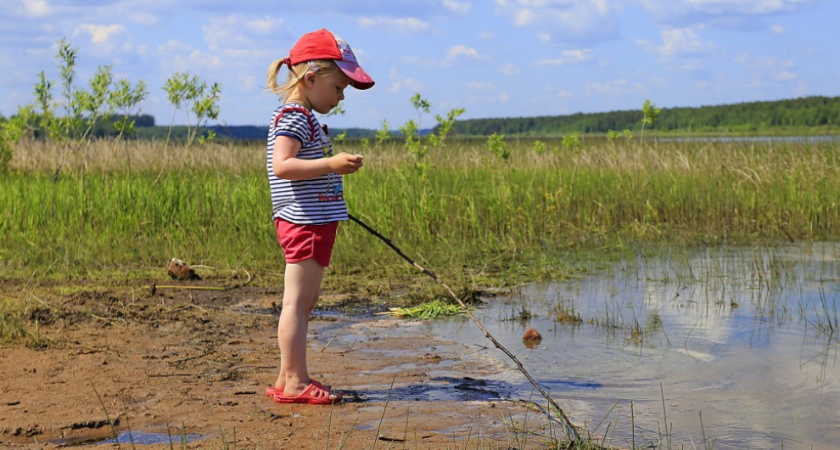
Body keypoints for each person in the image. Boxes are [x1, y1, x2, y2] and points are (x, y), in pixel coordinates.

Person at [263, 29, 374, 405]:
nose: (341, 97)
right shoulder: (295, 117)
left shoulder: (304, 117)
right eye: (339, 88)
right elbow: (282, 165)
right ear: (311, 79)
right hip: (304, 223)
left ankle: (286, 376)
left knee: (305, 301)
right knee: (296, 302)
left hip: (314, 221)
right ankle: (295, 381)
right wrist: (331, 163)